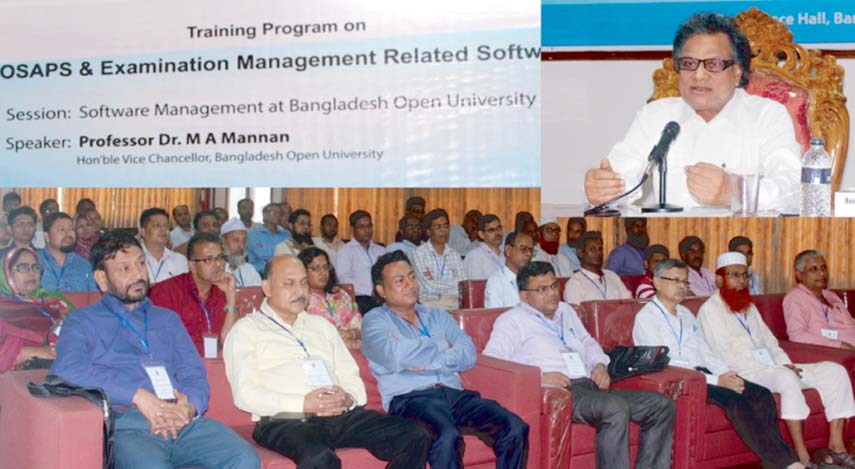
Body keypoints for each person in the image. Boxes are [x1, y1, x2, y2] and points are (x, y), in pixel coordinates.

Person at [49, 230, 260, 469]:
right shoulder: (83, 321)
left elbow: (193, 371)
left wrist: (190, 406)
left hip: (183, 421)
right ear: (101, 279)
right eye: (124, 268)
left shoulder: (168, 319)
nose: (138, 274)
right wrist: (137, 395)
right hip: (131, 423)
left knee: (244, 458)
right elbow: (67, 368)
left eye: (140, 263)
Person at [223, 255, 430, 469]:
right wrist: (304, 403)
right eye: (289, 283)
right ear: (266, 287)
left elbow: (351, 376)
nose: (299, 290)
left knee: (415, 435)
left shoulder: (322, 326)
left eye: (303, 282)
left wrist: (348, 398)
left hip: (340, 415)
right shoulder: (247, 330)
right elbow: (245, 394)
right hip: (285, 420)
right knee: (319, 458)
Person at [584, 12, 800, 212]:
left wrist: (733, 191)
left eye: (713, 64)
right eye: (689, 63)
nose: (698, 75)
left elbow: (794, 187)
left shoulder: (767, 115)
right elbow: (622, 175)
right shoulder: (656, 115)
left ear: (736, 73)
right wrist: (606, 188)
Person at [484, 261, 675, 469]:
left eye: (554, 286)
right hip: (560, 393)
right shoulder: (511, 321)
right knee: (614, 408)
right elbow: (493, 364)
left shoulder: (566, 311)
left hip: (589, 387)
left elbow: (588, 343)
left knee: (661, 405)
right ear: (524, 295)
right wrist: (539, 378)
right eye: (542, 289)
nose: (552, 294)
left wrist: (600, 364)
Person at [362, 251, 529, 469]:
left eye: (412, 277)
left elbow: (468, 353)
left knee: (515, 427)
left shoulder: (437, 316)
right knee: (446, 437)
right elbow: (395, 355)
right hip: (412, 399)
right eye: (399, 280)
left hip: (453, 392)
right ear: (381, 290)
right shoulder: (374, 320)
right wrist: (441, 344)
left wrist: (432, 360)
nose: (410, 284)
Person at [633, 258, 803, 469]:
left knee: (761, 395)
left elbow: (705, 350)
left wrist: (727, 374)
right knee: (735, 400)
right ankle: (789, 463)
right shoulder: (646, 318)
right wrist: (716, 380)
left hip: (707, 373)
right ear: (657, 282)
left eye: (685, 282)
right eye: (675, 280)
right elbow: (665, 362)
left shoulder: (685, 314)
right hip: (682, 379)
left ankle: (773, 462)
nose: (681, 286)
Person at [698, 252, 855, 466]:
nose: (742, 281)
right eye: (734, 275)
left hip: (774, 367)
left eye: (745, 275)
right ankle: (800, 454)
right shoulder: (710, 311)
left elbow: (772, 343)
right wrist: (776, 369)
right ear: (719, 279)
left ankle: (836, 447)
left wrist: (784, 363)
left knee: (834, 370)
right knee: (785, 378)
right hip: (746, 373)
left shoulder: (749, 307)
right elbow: (723, 354)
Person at [149, 232, 239, 357]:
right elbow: (159, 344)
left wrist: (231, 296)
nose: (218, 264)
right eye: (208, 260)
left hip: (218, 367)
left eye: (220, 258)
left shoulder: (224, 293)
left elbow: (230, 342)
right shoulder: (167, 292)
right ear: (192, 265)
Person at [0, 247, 73, 372]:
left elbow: (81, 332)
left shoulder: (54, 301)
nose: (31, 272)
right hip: (18, 374)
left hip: (62, 365)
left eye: (36, 267)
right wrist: (28, 352)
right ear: (7, 273)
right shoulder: (3, 306)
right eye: (23, 267)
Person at [783, 250, 855, 350]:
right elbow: (797, 336)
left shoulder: (831, 295)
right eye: (814, 269)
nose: (822, 273)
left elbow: (850, 323)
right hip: (837, 353)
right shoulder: (795, 298)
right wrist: (839, 345)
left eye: (823, 268)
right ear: (799, 275)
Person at [298, 247, 362, 349]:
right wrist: (340, 343)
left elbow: (359, 324)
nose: (323, 272)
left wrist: (351, 333)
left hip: (354, 348)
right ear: (303, 271)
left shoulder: (340, 294)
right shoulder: (299, 300)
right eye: (315, 268)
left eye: (325, 267)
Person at [333, 210, 387, 314]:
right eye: (362, 227)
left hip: (384, 297)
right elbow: (343, 279)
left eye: (369, 226)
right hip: (360, 298)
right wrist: (371, 290)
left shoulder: (381, 250)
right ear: (352, 229)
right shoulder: (345, 252)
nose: (367, 230)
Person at [413, 209, 466, 311]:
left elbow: (462, 285)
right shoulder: (419, 254)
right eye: (438, 227)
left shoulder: (455, 255)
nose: (443, 230)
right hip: (428, 306)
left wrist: (438, 284)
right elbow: (429, 287)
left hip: (453, 304)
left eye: (446, 226)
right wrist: (453, 284)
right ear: (428, 231)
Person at [563, 231, 631, 304]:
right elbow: (578, 314)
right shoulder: (574, 284)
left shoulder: (612, 276)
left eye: (600, 249)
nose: (598, 253)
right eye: (592, 249)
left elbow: (630, 304)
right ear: (580, 253)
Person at [36, 212, 98, 291]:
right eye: (61, 230)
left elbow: (93, 297)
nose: (68, 234)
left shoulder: (84, 265)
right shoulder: (34, 261)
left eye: (71, 229)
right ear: (46, 237)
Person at [138, 208, 188, 284]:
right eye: (156, 225)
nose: (163, 229)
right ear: (143, 232)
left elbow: (181, 291)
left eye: (166, 226)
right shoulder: (132, 258)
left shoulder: (179, 260)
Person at [484, 231, 533, 308]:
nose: (529, 254)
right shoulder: (496, 282)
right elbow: (494, 317)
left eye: (531, 250)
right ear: (508, 250)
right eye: (524, 249)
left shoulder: (533, 279)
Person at [247, 203, 290, 274]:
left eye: (279, 213)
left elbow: (291, 253)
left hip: (284, 271)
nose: (277, 215)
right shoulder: (254, 234)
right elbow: (263, 254)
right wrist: (282, 253)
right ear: (264, 215)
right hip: (260, 273)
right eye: (274, 212)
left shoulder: (286, 234)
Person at [220, 218, 262, 288]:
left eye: (244, 241)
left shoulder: (250, 269)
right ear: (223, 242)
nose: (241, 246)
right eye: (236, 240)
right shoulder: (217, 270)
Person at [463, 214, 504, 280]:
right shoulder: (475, 257)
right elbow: (477, 287)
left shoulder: (507, 254)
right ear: (481, 234)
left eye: (499, 228)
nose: (497, 233)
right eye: (491, 230)